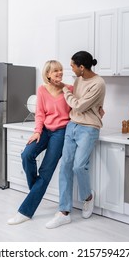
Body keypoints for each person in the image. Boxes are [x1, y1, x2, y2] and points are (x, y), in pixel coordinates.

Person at [7, 60, 73, 225]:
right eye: (55, 70)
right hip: (44, 130)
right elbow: (40, 114)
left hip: (60, 132)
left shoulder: (69, 89)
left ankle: (25, 212)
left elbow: (77, 109)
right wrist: (37, 131)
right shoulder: (42, 90)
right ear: (48, 74)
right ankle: (36, 190)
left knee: (46, 171)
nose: (59, 72)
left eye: (60, 70)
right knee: (26, 154)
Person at [46, 51, 106, 229]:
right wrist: (62, 85)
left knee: (78, 166)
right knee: (65, 165)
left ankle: (88, 197)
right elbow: (77, 101)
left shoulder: (99, 83)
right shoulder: (79, 79)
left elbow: (78, 104)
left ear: (81, 67)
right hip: (72, 126)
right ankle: (64, 212)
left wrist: (64, 89)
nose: (70, 68)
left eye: (72, 65)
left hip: (88, 128)